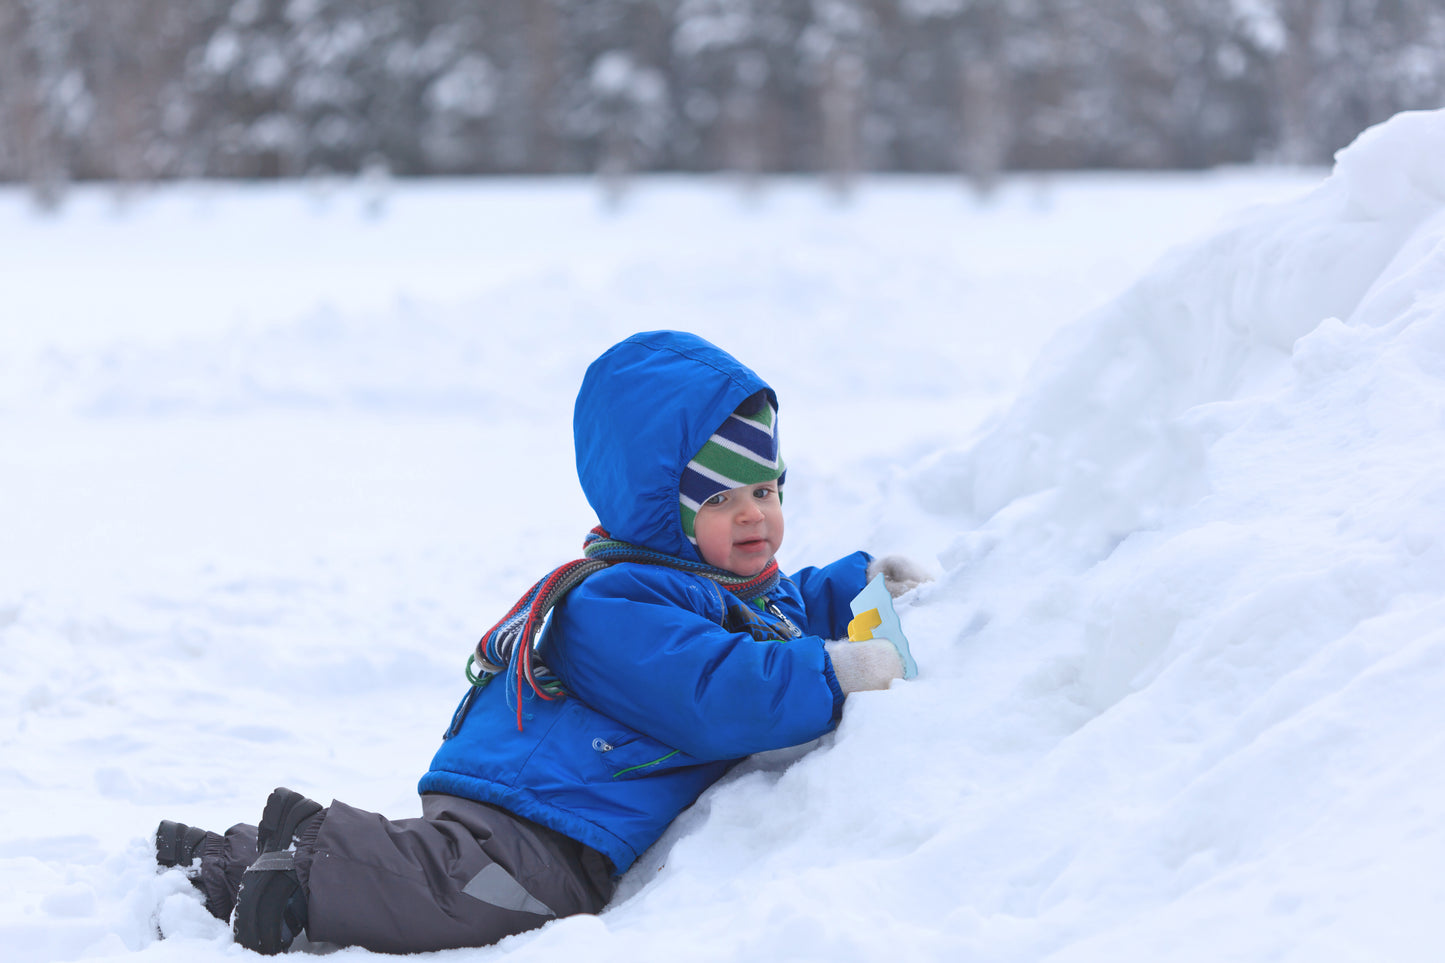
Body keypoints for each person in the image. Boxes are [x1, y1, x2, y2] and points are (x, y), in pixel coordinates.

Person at [153, 330, 928, 954]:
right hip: (541, 814)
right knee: (463, 901)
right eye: (721, 498)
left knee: (442, 872)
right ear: (663, 509)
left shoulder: (733, 584)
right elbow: (718, 692)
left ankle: (243, 848)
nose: (755, 515)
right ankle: (292, 889)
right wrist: (835, 671)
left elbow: (782, 613)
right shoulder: (618, 598)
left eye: (765, 490)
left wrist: (859, 585)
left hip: (554, 807)